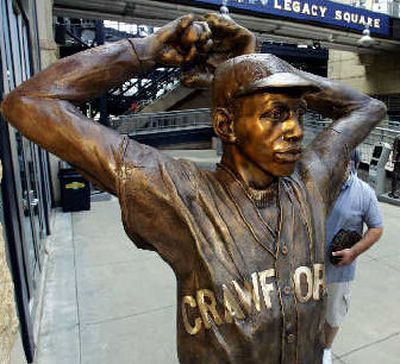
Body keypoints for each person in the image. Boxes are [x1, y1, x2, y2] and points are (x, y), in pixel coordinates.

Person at [0, 12, 386, 364]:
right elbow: (29, 103)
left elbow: (369, 108)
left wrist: (259, 66)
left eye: (298, 114)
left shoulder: (310, 183)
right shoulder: (180, 194)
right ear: (225, 125)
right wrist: (144, 52)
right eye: (275, 114)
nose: (296, 130)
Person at [322, 150, 384, 364]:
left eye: (340, 160)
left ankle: (326, 350)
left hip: (339, 269)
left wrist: (354, 251)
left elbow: (376, 228)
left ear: (351, 163)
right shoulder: (317, 185)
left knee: (334, 312)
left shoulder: (364, 193)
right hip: (307, 266)